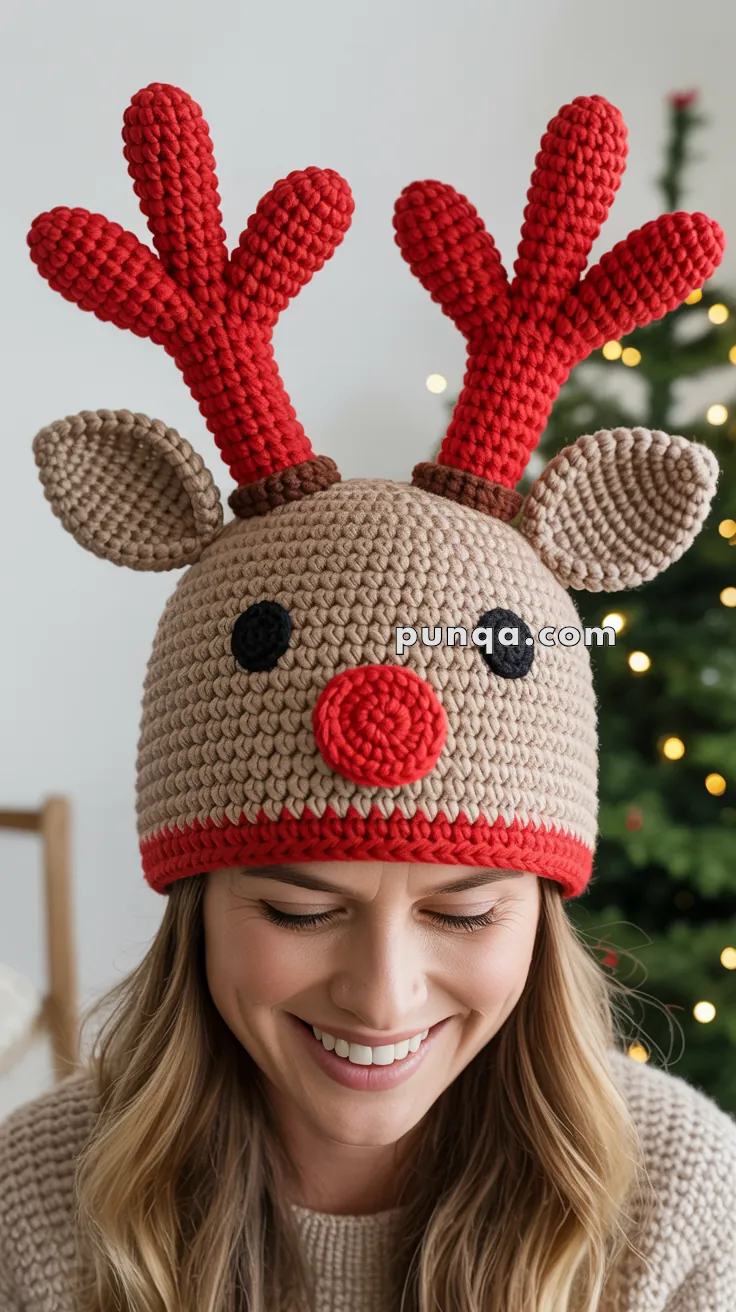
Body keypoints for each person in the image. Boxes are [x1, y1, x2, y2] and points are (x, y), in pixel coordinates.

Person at [1, 81, 735, 1312]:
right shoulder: (37, 1200)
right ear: (196, 896)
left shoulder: (682, 1199)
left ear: (541, 912)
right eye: (299, 908)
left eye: (466, 911)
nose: (382, 993)